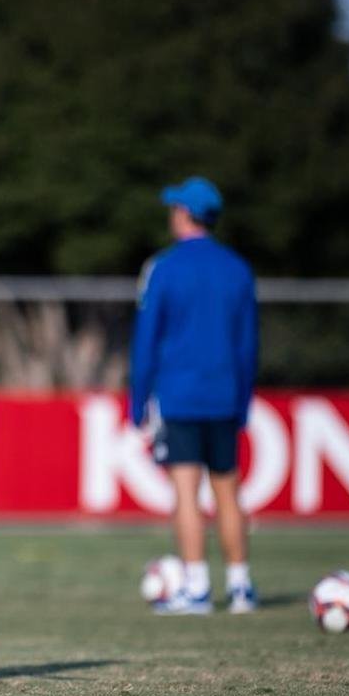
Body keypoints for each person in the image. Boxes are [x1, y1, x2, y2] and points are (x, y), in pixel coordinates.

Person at [129, 176, 259, 615]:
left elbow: (146, 340)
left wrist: (137, 398)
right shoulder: (238, 268)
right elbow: (248, 345)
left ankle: (198, 588)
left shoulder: (163, 268)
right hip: (225, 394)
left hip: (180, 395)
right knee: (228, 491)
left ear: (185, 214)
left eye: (174, 208)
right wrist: (243, 400)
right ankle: (241, 587)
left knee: (186, 493)